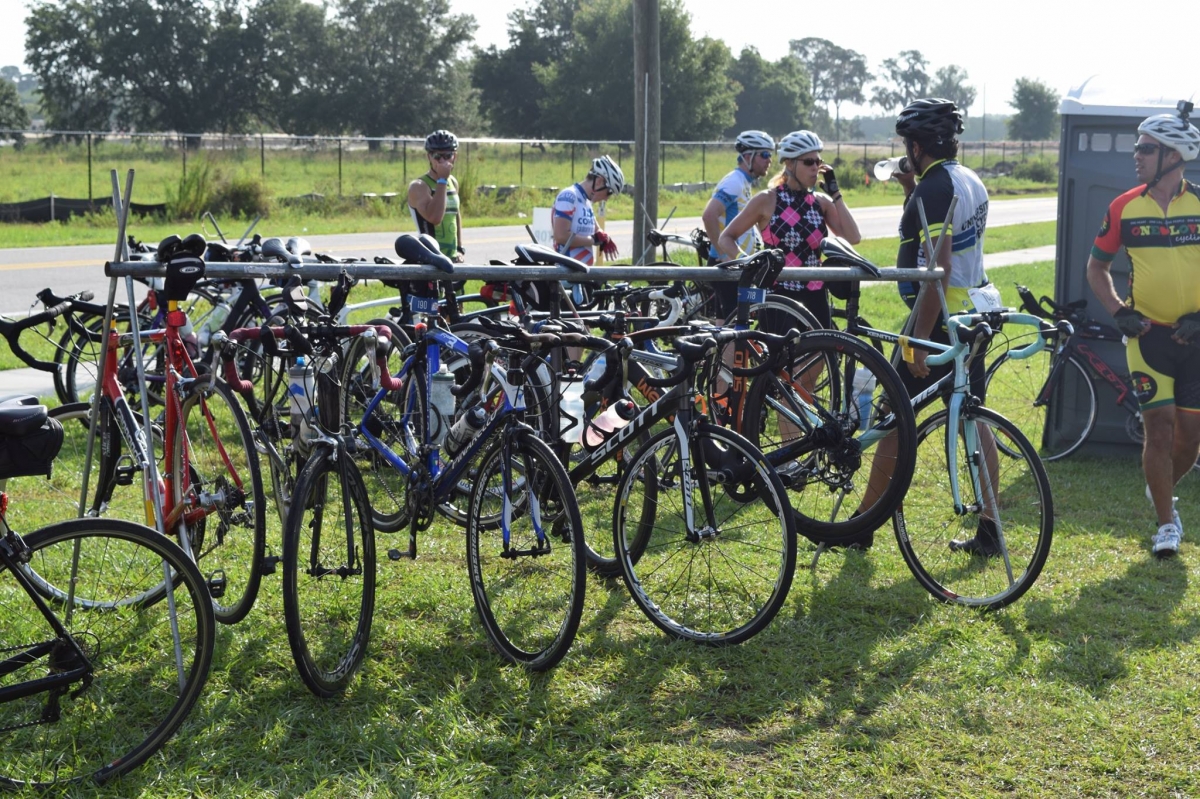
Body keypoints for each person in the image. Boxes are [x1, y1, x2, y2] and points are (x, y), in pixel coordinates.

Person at [857, 98, 992, 553]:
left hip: (937, 321)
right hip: (972, 314)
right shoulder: (966, 179)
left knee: (893, 421)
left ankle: (863, 524)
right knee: (972, 418)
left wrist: (916, 340)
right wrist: (910, 190)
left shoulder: (934, 189)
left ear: (916, 146)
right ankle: (990, 525)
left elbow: (939, 269)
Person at [1085, 104, 1200, 558]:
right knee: (1159, 426)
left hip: (1194, 339)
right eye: (1137, 148)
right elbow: (1096, 269)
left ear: (1173, 156)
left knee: (1190, 437)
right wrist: (1118, 312)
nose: (1136, 156)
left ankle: (1162, 488)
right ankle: (1166, 524)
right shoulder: (1124, 207)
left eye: (1145, 149)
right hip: (1147, 337)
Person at [716, 129, 861, 329]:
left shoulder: (821, 202)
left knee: (818, 357)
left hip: (815, 293)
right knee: (785, 359)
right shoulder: (766, 200)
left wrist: (836, 194)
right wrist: (751, 265)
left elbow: (853, 237)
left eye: (818, 162)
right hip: (778, 294)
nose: (815, 168)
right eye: (809, 162)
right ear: (790, 164)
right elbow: (726, 238)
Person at [702, 130, 776, 318]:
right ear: (748, 156)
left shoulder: (744, 182)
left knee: (725, 323)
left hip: (734, 263)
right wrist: (723, 253)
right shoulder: (734, 181)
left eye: (771, 155)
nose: (769, 160)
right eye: (765, 154)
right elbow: (709, 215)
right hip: (727, 264)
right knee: (734, 324)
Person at [552, 155, 624, 266]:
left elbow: (595, 230)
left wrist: (603, 237)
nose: (606, 198)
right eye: (609, 192)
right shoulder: (569, 196)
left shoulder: (586, 202)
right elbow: (561, 236)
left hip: (580, 274)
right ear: (599, 182)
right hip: (565, 274)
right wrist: (593, 240)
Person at [408, 129, 465, 263]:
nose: (442, 161)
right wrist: (442, 180)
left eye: (447, 156)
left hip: (453, 258)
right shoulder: (419, 186)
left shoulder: (453, 182)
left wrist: (460, 248)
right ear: (429, 157)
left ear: (455, 156)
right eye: (437, 156)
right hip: (430, 258)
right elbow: (435, 218)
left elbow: (456, 215)